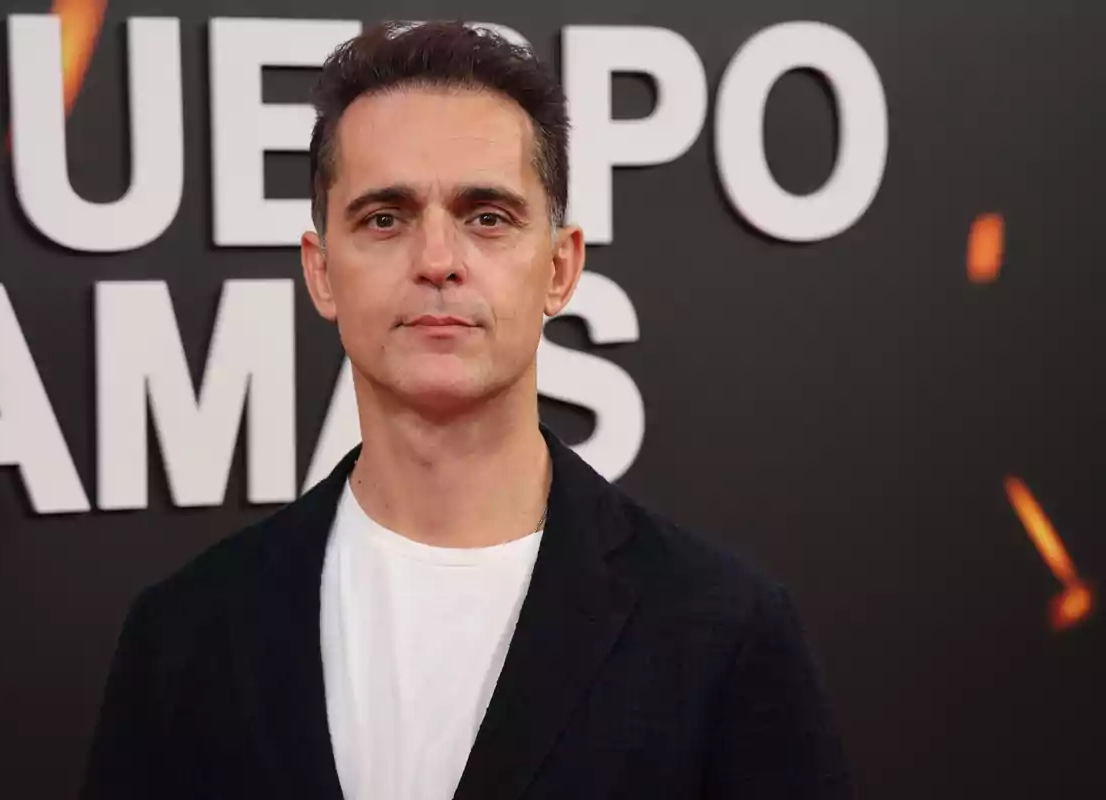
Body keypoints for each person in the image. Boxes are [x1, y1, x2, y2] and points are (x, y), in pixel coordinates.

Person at [80, 20, 852, 800]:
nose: (438, 262)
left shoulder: (722, 631)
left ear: (559, 268)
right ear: (321, 273)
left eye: (488, 217)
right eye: (386, 218)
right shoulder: (185, 636)